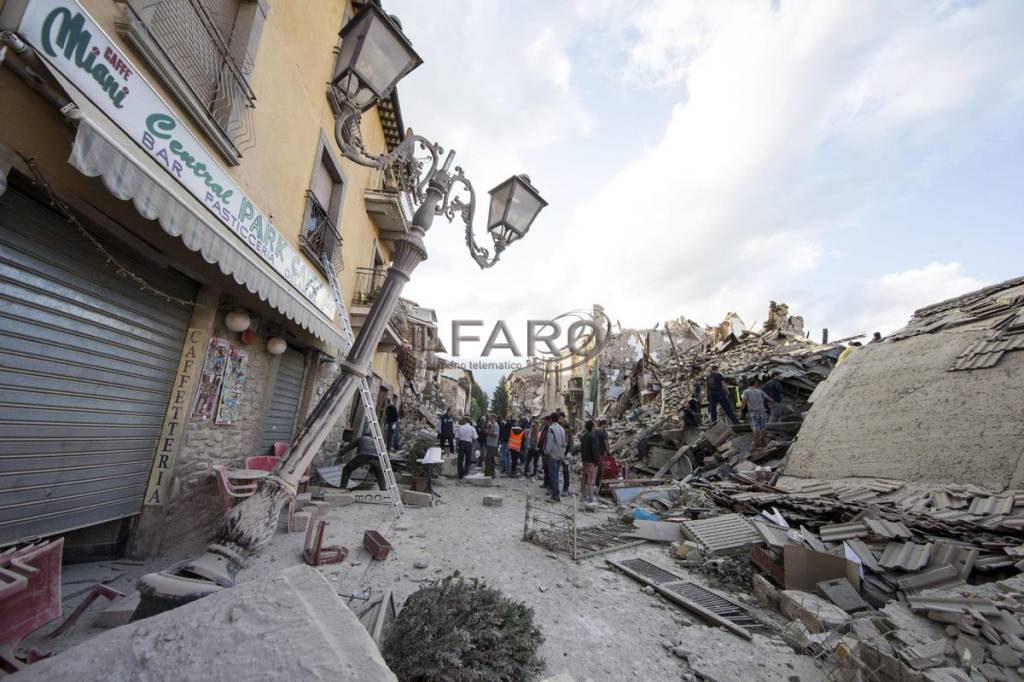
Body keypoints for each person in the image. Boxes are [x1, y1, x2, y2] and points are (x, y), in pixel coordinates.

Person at [740, 378, 775, 449]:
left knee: (755, 429)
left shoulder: (746, 391)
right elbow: (769, 399)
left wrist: (741, 410)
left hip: (753, 413)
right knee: (763, 427)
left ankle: (754, 444)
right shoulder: (760, 391)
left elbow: (744, 401)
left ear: (748, 384)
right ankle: (762, 439)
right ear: (755, 384)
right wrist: (772, 404)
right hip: (762, 412)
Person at [544, 412, 567, 502]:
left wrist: (546, 452)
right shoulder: (561, 428)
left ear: (550, 420)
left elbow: (549, 443)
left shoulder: (551, 428)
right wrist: (562, 453)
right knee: (556, 474)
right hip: (560, 454)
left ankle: (555, 495)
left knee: (553, 475)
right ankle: (556, 493)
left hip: (553, 455)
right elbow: (564, 443)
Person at [579, 420, 600, 503]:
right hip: (591, 461)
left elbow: (581, 448)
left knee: (584, 478)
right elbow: (595, 450)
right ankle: (591, 497)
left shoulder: (584, 436)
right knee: (591, 479)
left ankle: (583, 496)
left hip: (585, 460)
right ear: (592, 427)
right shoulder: (593, 436)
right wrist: (596, 461)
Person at [558, 412, 573, 496]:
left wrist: (569, 452)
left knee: (565, 470)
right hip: (558, 450)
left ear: (563, 418)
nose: (559, 420)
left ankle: (565, 488)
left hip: (566, 451)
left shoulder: (568, 427)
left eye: (560, 418)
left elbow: (571, 440)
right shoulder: (559, 426)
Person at [594, 418, 610, 494]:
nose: (607, 426)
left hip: (594, 452)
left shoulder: (595, 431)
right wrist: (608, 451)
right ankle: (597, 484)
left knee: (593, 468)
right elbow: (606, 443)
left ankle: (591, 483)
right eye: (606, 424)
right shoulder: (604, 433)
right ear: (603, 424)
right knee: (601, 469)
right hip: (601, 452)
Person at [538, 415, 552, 489]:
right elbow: (541, 439)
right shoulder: (544, 428)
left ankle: (549, 485)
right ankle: (545, 483)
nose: (544, 422)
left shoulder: (550, 429)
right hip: (543, 451)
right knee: (545, 468)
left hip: (548, 452)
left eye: (545, 421)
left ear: (548, 421)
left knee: (549, 469)